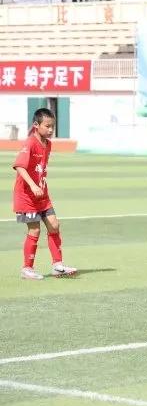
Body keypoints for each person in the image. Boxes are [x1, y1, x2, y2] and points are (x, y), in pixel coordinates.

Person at [13, 107, 77, 280]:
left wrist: (39, 187)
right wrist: (33, 186)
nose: (50, 130)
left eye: (52, 127)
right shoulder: (30, 143)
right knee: (34, 230)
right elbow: (20, 166)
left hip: (42, 196)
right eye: (47, 126)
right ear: (36, 125)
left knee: (54, 225)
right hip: (26, 196)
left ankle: (58, 266)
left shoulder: (48, 144)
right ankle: (27, 269)